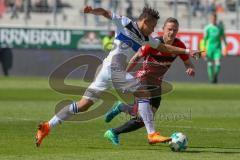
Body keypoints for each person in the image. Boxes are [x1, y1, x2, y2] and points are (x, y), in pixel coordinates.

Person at [35, 5, 202, 147]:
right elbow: (106, 13)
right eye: (153, 25)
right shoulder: (125, 23)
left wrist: (188, 51)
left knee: (84, 104)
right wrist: (93, 10)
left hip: (106, 71)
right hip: (113, 69)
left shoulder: (146, 38)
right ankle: (151, 134)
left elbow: (165, 48)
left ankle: (47, 126)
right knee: (143, 93)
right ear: (145, 21)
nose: (153, 29)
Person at [103, 17, 195, 145]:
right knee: (143, 118)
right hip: (143, 79)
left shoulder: (179, 46)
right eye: (169, 29)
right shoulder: (154, 43)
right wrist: (125, 76)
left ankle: (121, 108)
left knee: (142, 119)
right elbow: (136, 57)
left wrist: (190, 68)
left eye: (175, 30)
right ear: (163, 29)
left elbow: (187, 62)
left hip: (157, 83)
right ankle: (116, 132)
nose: (171, 32)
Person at [204, 12, 227, 83]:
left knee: (218, 63)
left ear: (216, 19)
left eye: (214, 18)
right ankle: (212, 79)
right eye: (212, 18)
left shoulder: (220, 27)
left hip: (217, 48)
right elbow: (204, 40)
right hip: (209, 48)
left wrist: (225, 48)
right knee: (210, 64)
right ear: (210, 19)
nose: (213, 20)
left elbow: (223, 38)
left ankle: (215, 76)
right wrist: (204, 50)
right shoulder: (207, 28)